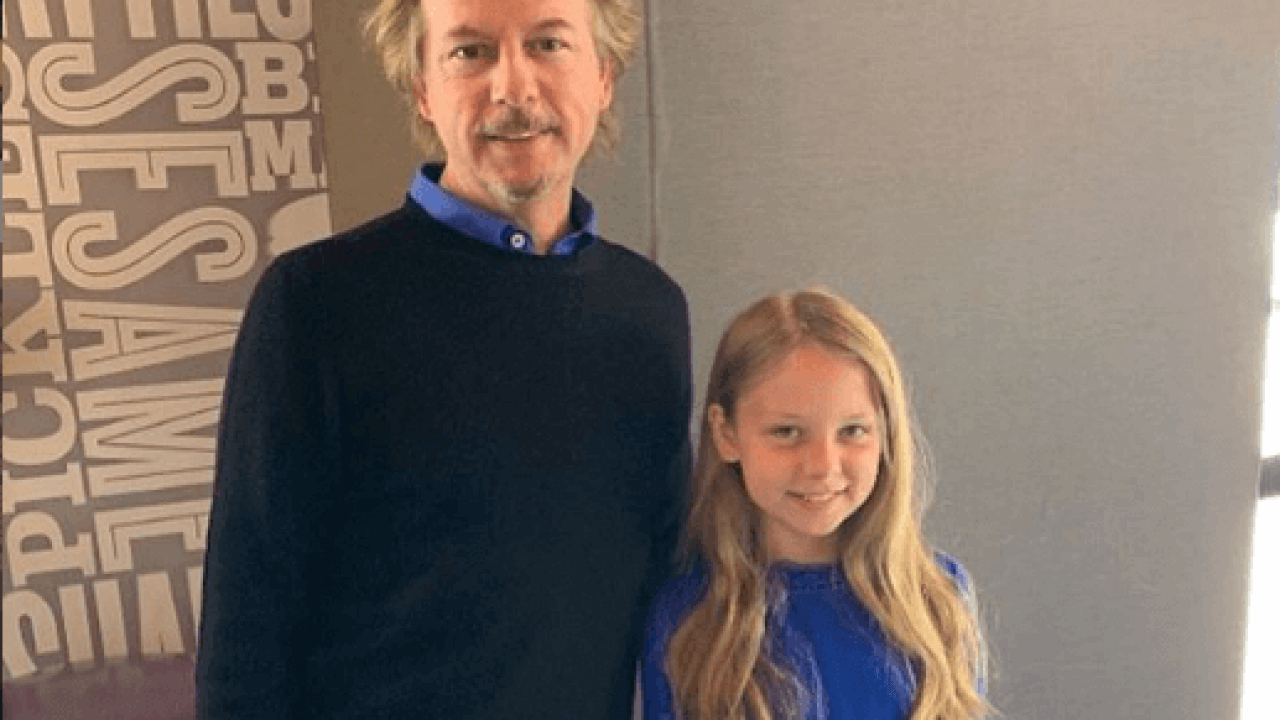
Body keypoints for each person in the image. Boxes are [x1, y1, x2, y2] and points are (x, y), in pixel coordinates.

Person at [195, 0, 691, 718]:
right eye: (470, 52)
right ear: (422, 88)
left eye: (548, 44)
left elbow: (675, 583)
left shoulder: (650, 311)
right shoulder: (314, 305)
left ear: (605, 77)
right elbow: (245, 644)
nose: (513, 87)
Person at [641, 288, 989, 720]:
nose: (823, 467)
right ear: (726, 433)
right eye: (787, 432)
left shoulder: (938, 600)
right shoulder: (688, 620)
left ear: (886, 434)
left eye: (852, 430)